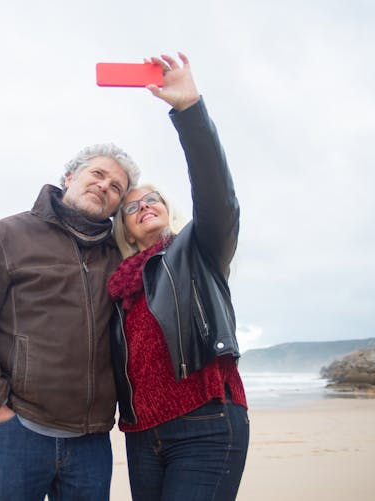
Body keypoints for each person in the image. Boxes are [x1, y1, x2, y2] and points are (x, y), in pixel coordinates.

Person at [0, 142, 140, 500]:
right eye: (98, 174)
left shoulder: (116, 256)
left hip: (91, 442)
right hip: (17, 432)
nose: (104, 187)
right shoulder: (7, 236)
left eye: (116, 188)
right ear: (69, 176)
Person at [108, 52, 249, 500]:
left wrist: (188, 110)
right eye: (131, 205)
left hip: (206, 420)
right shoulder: (116, 286)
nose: (144, 205)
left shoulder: (199, 249)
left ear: (168, 211)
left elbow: (217, 195)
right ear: (123, 226)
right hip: (141, 434)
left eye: (153, 199)